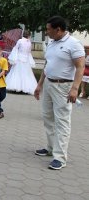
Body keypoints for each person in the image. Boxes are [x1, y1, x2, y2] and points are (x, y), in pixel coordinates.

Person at [34, 16, 85, 170]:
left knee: (62, 121)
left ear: (58, 29)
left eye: (48, 29)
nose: (46, 32)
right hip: (49, 83)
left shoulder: (74, 44)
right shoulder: (51, 42)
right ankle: (50, 148)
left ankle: (60, 157)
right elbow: (48, 64)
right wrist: (40, 84)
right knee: (47, 117)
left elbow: (80, 67)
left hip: (63, 87)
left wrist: (75, 88)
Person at [5, 30, 37, 94]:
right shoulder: (29, 42)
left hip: (19, 59)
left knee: (16, 72)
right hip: (26, 59)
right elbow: (29, 52)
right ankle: (25, 87)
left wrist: (13, 58)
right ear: (29, 35)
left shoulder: (20, 41)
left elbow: (16, 49)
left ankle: (15, 86)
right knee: (26, 73)